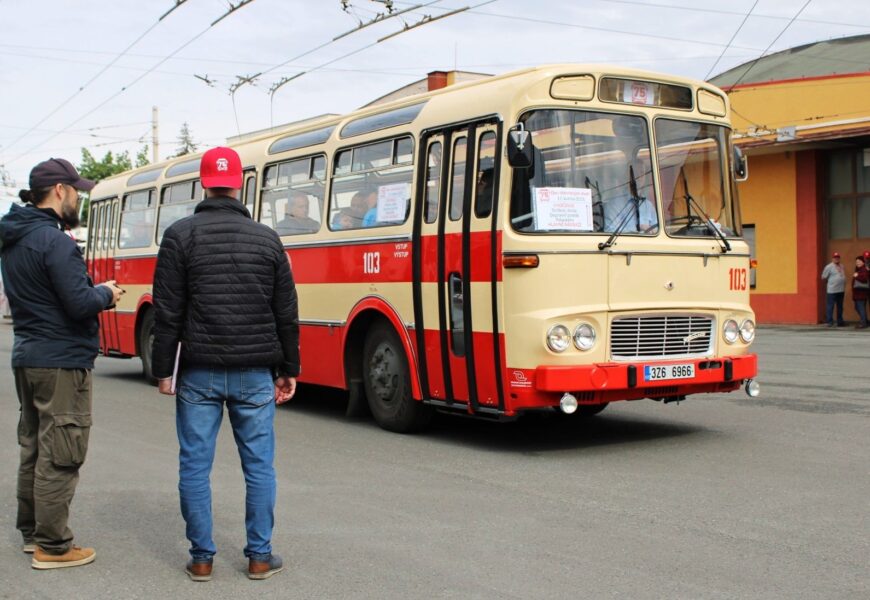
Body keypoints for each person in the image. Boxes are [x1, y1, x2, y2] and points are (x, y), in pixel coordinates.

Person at [151, 147, 299, 582]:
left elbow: (167, 310)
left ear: (203, 184)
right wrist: (289, 367)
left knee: (195, 464)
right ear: (239, 185)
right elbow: (285, 311)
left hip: (198, 371)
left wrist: (164, 370)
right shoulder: (267, 238)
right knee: (259, 466)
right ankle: (259, 556)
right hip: (256, 372)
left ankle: (201, 558)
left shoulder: (180, 235)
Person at [0, 158, 123, 569]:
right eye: (75, 191)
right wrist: (105, 293)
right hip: (61, 362)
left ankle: (32, 534)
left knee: (34, 448)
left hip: (28, 356)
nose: (78, 199)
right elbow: (77, 304)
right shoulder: (56, 242)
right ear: (59, 191)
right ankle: (53, 547)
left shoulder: (16, 238)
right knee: (62, 452)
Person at [821, 251, 846, 327]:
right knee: (830, 306)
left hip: (841, 290)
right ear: (832, 258)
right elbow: (823, 277)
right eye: (835, 257)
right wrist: (830, 283)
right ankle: (829, 321)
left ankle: (840, 321)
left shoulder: (842, 266)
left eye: (838, 257)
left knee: (840, 306)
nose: (836, 259)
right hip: (832, 290)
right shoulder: (829, 266)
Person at [851, 254, 869, 329]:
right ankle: (865, 321)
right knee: (858, 307)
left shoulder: (864, 269)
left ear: (863, 262)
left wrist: (856, 276)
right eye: (856, 262)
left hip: (861, 293)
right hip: (858, 293)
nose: (857, 263)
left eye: (859, 261)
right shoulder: (859, 269)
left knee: (860, 308)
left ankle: (863, 323)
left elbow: (865, 279)